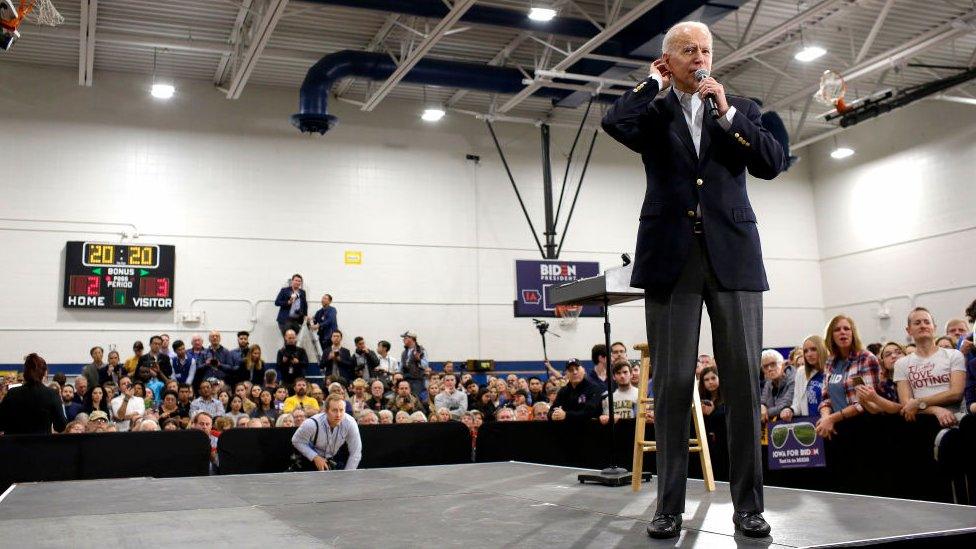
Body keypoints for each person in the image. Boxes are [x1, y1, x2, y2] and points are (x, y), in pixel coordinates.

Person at [601, 19, 787, 539]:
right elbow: (613, 123)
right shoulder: (653, 109)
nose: (699, 57)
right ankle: (668, 508)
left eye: (705, 49)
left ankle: (748, 507)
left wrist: (726, 113)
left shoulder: (740, 108)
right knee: (675, 384)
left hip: (734, 258)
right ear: (668, 59)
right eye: (688, 50)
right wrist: (651, 85)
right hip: (671, 259)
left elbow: (774, 162)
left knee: (744, 388)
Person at [893, 308, 966, 426]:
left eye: (927, 322)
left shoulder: (954, 355)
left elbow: (956, 393)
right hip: (921, 420)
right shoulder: (901, 363)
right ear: (909, 330)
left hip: (955, 417)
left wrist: (918, 402)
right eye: (917, 323)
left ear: (934, 327)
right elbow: (907, 404)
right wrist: (935, 410)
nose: (923, 326)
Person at [816, 315, 884, 440]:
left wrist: (832, 418)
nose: (842, 332)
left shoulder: (866, 358)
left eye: (846, 328)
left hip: (863, 426)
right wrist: (825, 417)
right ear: (831, 336)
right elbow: (825, 398)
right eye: (837, 330)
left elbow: (865, 402)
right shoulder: (830, 362)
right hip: (834, 426)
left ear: (853, 333)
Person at [291, 394, 362, 471]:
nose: (338, 415)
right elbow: (297, 440)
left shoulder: (350, 423)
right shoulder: (311, 424)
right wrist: (315, 457)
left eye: (341, 410)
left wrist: (349, 476)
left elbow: (356, 452)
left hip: (333, 459)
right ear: (326, 411)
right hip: (309, 460)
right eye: (334, 410)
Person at [0, 354, 67, 434]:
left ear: (25, 373)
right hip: (40, 444)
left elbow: (1, 423)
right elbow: (60, 426)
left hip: (14, 444)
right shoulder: (51, 394)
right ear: (43, 374)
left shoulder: (12, 393)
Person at [781, 335, 828, 421]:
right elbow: (797, 404)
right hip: (809, 424)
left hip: (831, 422)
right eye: (805, 351)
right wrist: (789, 410)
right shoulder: (801, 372)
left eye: (813, 349)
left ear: (822, 349)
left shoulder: (833, 369)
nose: (809, 354)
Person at [759, 349, 794, 424]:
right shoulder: (768, 383)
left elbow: (785, 405)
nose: (769, 369)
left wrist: (765, 412)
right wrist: (762, 406)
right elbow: (763, 401)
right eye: (765, 366)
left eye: (773, 364)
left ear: (783, 365)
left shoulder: (793, 378)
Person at [400, 331, 429, 397]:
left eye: (405, 338)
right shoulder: (404, 352)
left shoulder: (421, 350)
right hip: (406, 379)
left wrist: (419, 359)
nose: (403, 340)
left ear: (412, 339)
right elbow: (401, 367)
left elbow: (426, 365)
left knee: (416, 398)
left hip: (417, 380)